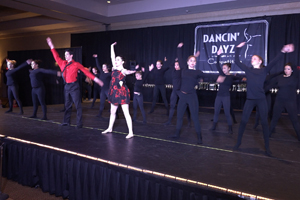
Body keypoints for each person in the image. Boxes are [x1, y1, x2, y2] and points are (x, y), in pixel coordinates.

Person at [233, 41, 294, 156]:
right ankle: (238, 143)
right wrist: (237, 48)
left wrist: (283, 51)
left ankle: (267, 148)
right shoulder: (248, 70)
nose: (252, 59)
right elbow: (236, 61)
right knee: (244, 122)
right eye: (252, 58)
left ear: (260, 61)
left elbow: (275, 61)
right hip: (250, 100)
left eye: (255, 58)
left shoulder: (264, 70)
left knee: (265, 123)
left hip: (261, 99)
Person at [169, 43, 221, 144]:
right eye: (191, 61)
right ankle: (176, 134)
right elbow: (179, 57)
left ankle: (199, 138)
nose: (193, 62)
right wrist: (179, 48)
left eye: (194, 61)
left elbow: (208, 75)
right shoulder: (183, 69)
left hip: (192, 97)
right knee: (179, 116)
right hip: (182, 96)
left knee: (195, 117)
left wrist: (217, 77)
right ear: (188, 62)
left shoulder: (197, 72)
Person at [46, 37, 103, 128]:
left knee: (77, 105)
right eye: (65, 54)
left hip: (74, 86)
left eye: (67, 54)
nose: (65, 56)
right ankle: (66, 121)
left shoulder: (76, 64)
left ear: (71, 55)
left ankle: (79, 123)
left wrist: (96, 79)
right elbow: (55, 55)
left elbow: (86, 72)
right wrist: (51, 45)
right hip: (67, 87)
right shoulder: (62, 63)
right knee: (67, 105)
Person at [102, 42, 136, 139]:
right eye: (116, 60)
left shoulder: (123, 70)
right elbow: (112, 56)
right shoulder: (115, 67)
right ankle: (110, 128)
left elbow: (127, 72)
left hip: (122, 93)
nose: (116, 61)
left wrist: (132, 71)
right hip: (114, 92)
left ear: (122, 62)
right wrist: (111, 46)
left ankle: (131, 132)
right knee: (112, 112)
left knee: (126, 113)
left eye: (118, 60)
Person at [210, 48, 244, 134]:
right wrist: (218, 55)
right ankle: (213, 126)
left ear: (229, 68)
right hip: (219, 96)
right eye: (223, 68)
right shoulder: (221, 74)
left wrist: (242, 77)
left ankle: (230, 128)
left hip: (226, 96)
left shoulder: (231, 77)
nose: (223, 69)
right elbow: (217, 64)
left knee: (227, 113)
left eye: (225, 68)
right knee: (216, 112)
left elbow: (241, 78)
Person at [269, 63, 300, 141]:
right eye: (285, 68)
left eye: (288, 69)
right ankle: (269, 133)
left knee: (294, 120)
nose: (286, 70)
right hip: (279, 100)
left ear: (292, 70)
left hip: (290, 102)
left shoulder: (295, 78)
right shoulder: (280, 78)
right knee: (275, 117)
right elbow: (270, 85)